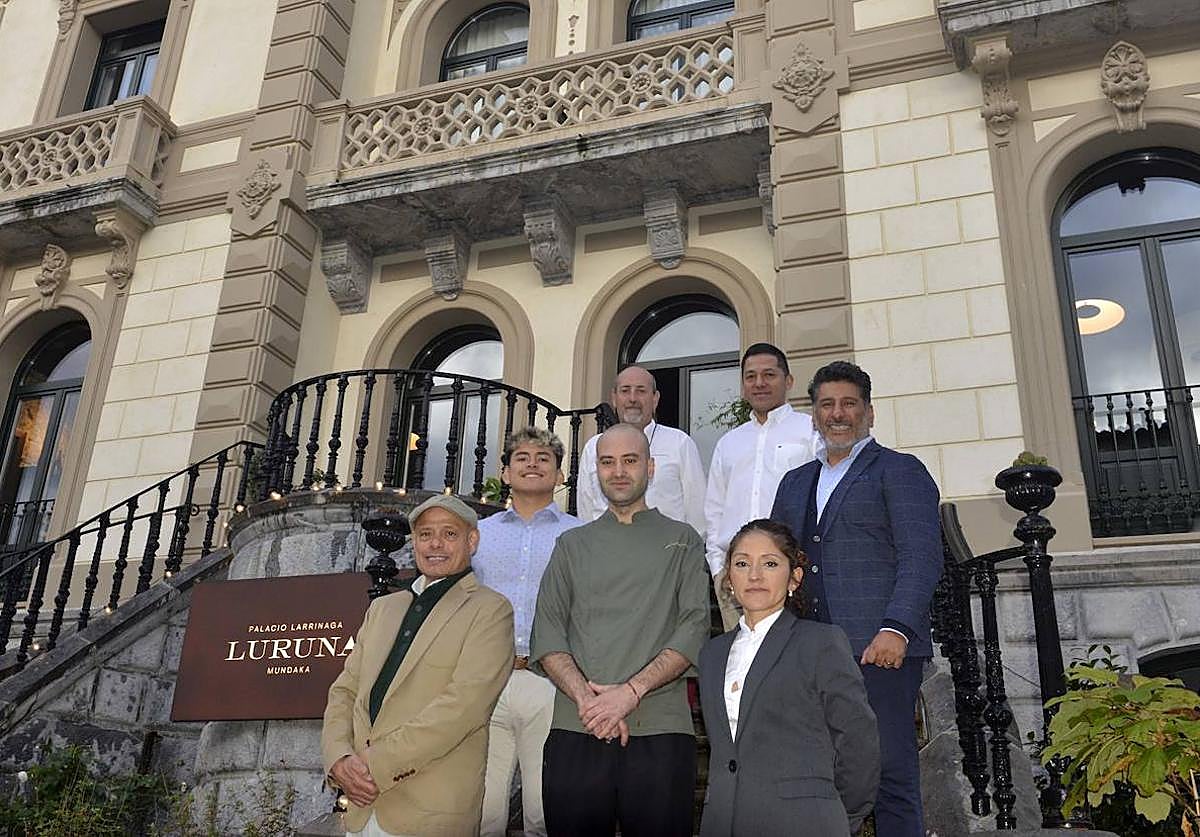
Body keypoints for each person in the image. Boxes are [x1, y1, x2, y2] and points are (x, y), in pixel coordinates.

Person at [770, 361, 941, 837]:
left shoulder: (900, 471)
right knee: (817, 777)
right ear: (814, 415)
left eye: (848, 403)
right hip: (809, 651)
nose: (838, 414)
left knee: (890, 774)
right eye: (827, 404)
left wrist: (897, 628)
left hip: (879, 650)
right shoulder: (794, 482)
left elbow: (921, 557)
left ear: (869, 412)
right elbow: (780, 562)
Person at [530, 423, 711, 837]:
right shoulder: (571, 546)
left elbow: (694, 625)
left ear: (650, 467)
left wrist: (628, 694)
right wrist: (590, 702)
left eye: (630, 461)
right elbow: (549, 630)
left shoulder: (683, 541)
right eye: (607, 462)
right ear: (596, 471)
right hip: (579, 725)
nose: (618, 471)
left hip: (659, 727)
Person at [321, 495, 515, 837]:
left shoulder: (491, 611)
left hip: (430, 811)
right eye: (425, 534)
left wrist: (372, 765)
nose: (435, 544)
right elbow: (345, 690)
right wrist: (338, 759)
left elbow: (463, 708)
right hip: (360, 809)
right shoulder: (383, 608)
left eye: (449, 534)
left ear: (472, 540)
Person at [698, 519, 879, 837]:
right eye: (742, 564)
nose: (754, 575)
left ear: (794, 577)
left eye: (769, 563)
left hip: (804, 822)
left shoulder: (821, 642)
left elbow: (858, 742)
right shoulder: (712, 655)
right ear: (729, 578)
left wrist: (838, 814)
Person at [473, 428, 582, 837]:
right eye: (522, 456)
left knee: (544, 810)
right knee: (484, 810)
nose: (532, 463)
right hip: (489, 680)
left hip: (550, 682)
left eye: (544, 457)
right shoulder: (479, 536)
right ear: (505, 471)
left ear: (558, 475)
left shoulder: (580, 534)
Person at [705, 343, 815, 629]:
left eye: (769, 375)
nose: (759, 383)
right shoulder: (729, 443)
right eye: (751, 377)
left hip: (790, 574)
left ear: (788, 381)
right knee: (744, 667)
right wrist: (720, 569)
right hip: (736, 579)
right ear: (743, 386)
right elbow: (714, 511)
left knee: (791, 664)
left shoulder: (810, 431)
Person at [576, 365, 706, 533]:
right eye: (625, 390)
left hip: (665, 553)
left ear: (655, 399)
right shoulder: (593, 447)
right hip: (606, 552)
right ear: (614, 398)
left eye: (641, 391)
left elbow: (697, 513)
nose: (632, 399)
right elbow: (586, 511)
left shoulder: (679, 443)